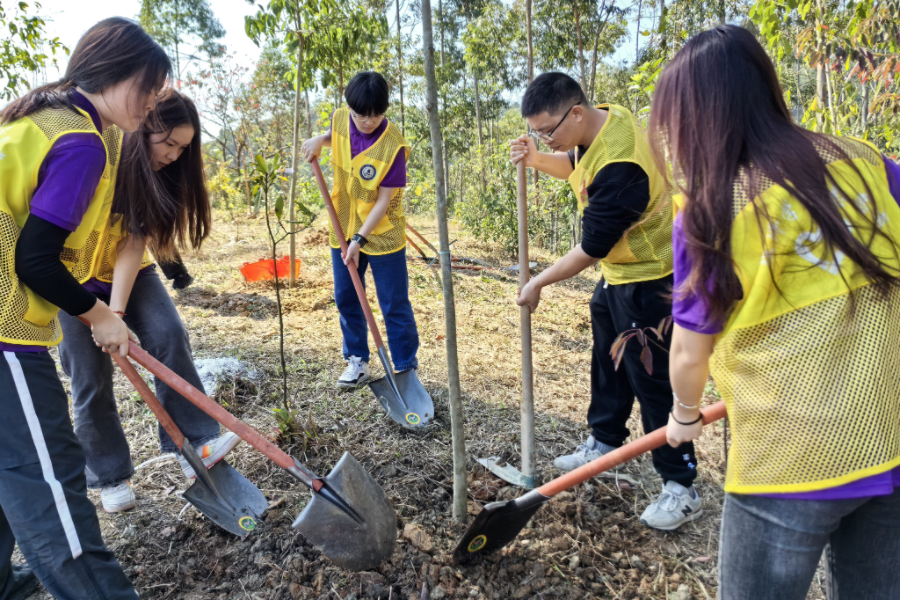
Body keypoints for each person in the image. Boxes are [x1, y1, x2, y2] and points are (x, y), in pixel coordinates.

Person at [656, 25, 900, 599]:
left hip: (789, 461)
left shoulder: (714, 206)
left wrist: (684, 415)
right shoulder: (865, 163)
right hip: (884, 441)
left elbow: (690, 351)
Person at [0, 17, 170, 599]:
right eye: (148, 89)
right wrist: (99, 315)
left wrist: (101, 311)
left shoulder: (40, 119)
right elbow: (36, 261)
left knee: (9, 462)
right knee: (50, 475)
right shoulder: (81, 141)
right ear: (116, 74)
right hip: (3, 334)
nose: (150, 106)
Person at [511, 72, 701, 530]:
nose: (544, 138)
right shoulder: (601, 123)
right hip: (620, 273)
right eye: (537, 132)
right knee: (608, 361)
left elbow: (591, 246)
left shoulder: (622, 164)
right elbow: (576, 165)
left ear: (575, 112)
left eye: (547, 131)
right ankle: (605, 440)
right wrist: (538, 157)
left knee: (651, 379)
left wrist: (538, 282)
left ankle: (682, 485)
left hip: (650, 279)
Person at [57, 89, 239, 514]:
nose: (175, 156)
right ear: (144, 128)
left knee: (168, 333)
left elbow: (134, 242)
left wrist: (115, 313)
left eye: (183, 148)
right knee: (88, 375)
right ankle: (109, 474)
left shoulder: (155, 174)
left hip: (126, 272)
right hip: (68, 277)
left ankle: (196, 444)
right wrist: (96, 315)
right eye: (168, 143)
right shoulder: (100, 152)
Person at [300, 71, 419, 389]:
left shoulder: (393, 145)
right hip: (342, 225)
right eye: (359, 115)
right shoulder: (341, 118)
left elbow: (383, 201)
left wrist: (360, 238)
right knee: (347, 297)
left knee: (394, 302)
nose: (366, 121)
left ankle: (405, 366)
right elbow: (337, 136)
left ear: (384, 110)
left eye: (375, 115)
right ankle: (357, 361)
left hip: (381, 233)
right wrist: (319, 140)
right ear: (349, 108)